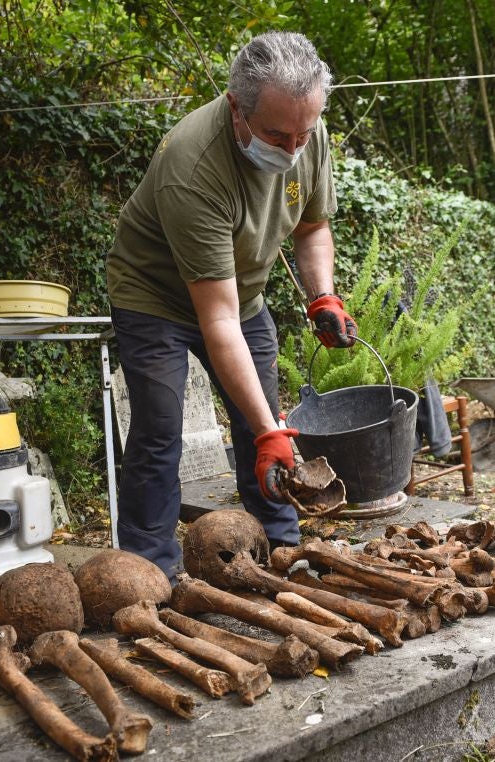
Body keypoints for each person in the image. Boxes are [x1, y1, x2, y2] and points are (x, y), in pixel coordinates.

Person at [106, 31, 356, 581]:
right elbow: (215, 318)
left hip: (240, 294)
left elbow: (313, 228)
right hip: (155, 297)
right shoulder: (194, 167)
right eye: (277, 134)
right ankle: (152, 575)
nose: (293, 150)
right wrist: (270, 430)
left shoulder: (303, 130)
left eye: (303, 134)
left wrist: (322, 296)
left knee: (261, 420)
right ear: (235, 107)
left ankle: (280, 551)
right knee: (159, 430)